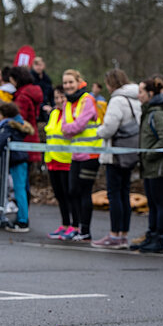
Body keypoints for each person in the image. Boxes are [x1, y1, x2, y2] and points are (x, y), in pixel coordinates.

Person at [91, 69, 140, 249]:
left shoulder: (117, 100)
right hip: (130, 152)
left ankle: (114, 234)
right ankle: (124, 234)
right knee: (125, 193)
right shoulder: (136, 99)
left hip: (115, 154)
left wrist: (99, 131)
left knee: (114, 194)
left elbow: (110, 127)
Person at [131, 76, 163, 253]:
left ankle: (160, 238)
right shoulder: (148, 112)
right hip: (149, 166)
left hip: (159, 166)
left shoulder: (157, 113)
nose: (138, 95)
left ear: (150, 93)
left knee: (160, 201)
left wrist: (149, 154)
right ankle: (152, 234)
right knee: (153, 203)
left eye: (141, 92)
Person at [60, 69, 101, 242]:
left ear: (78, 82)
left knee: (84, 192)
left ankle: (85, 230)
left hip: (91, 154)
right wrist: (71, 128)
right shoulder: (67, 103)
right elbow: (64, 128)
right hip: (75, 154)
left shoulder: (87, 100)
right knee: (72, 191)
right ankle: (75, 227)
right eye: (65, 83)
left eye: (71, 82)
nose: (68, 86)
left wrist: (71, 128)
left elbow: (79, 125)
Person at [0, 100, 33, 232]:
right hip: (21, 160)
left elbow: (0, 142)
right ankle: (22, 217)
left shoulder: (8, 127)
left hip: (17, 160)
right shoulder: (17, 124)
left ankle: (23, 221)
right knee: (22, 190)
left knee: (20, 191)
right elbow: (1, 126)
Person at [45, 86, 75, 239]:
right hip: (52, 160)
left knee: (68, 195)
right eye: (56, 98)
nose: (58, 101)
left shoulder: (70, 113)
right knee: (59, 195)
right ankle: (64, 223)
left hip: (66, 160)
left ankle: (73, 225)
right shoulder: (54, 113)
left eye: (62, 97)